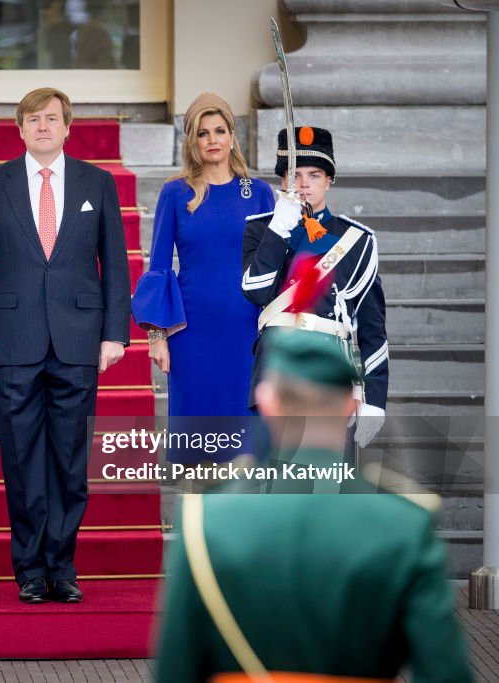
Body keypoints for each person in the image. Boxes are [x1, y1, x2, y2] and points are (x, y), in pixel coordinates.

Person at [155, 328, 473, 681]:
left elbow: (176, 670)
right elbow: (446, 673)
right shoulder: (405, 524)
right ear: (351, 408)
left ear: (268, 403)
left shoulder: (206, 519)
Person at [0, 87, 131, 604]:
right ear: (19, 129)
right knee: (22, 459)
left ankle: (62, 565)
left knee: (70, 460)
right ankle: (30, 569)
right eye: (32, 119)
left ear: (67, 127)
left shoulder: (97, 183)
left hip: (79, 340)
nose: (42, 127)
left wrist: (115, 333)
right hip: (13, 340)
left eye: (51, 119)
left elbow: (115, 263)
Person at [131, 93, 274, 461]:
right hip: (191, 334)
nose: (212, 140)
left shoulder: (257, 192)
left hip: (248, 333)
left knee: (247, 449)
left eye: (220, 130)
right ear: (192, 141)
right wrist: (156, 336)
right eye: (203, 133)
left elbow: (275, 265)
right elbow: (159, 266)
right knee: (198, 449)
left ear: (231, 136)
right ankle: (197, 518)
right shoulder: (176, 193)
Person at [242, 126, 388, 452]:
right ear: (282, 181)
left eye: (315, 174)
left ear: (329, 180)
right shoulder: (261, 230)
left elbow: (373, 328)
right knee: (276, 491)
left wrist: (374, 398)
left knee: (331, 492)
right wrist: (279, 229)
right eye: (295, 175)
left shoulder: (358, 241)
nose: (304, 183)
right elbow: (255, 292)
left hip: (333, 377)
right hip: (276, 373)